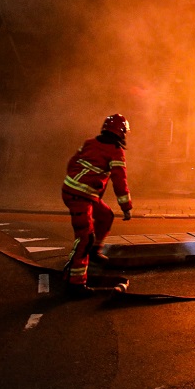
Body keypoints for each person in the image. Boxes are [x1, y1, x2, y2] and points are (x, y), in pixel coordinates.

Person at [61, 114, 134, 297]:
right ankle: (76, 284)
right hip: (80, 197)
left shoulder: (89, 142)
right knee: (84, 239)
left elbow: (72, 163)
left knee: (106, 216)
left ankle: (94, 252)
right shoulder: (116, 152)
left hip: (77, 192)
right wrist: (126, 207)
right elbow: (120, 181)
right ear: (122, 132)